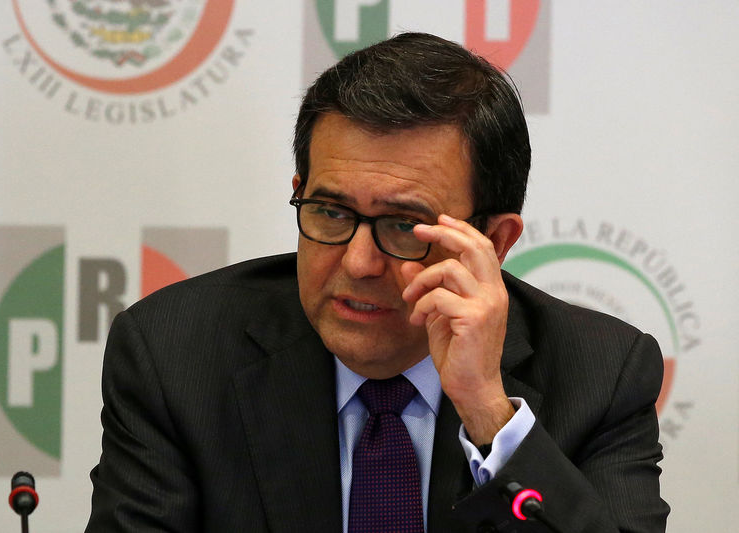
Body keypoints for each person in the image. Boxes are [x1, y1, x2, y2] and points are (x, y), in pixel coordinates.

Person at [86, 33, 668, 532]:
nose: (359, 263)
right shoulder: (176, 355)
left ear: (493, 242)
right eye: (331, 213)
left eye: (404, 225)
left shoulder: (601, 374)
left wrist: (488, 412)